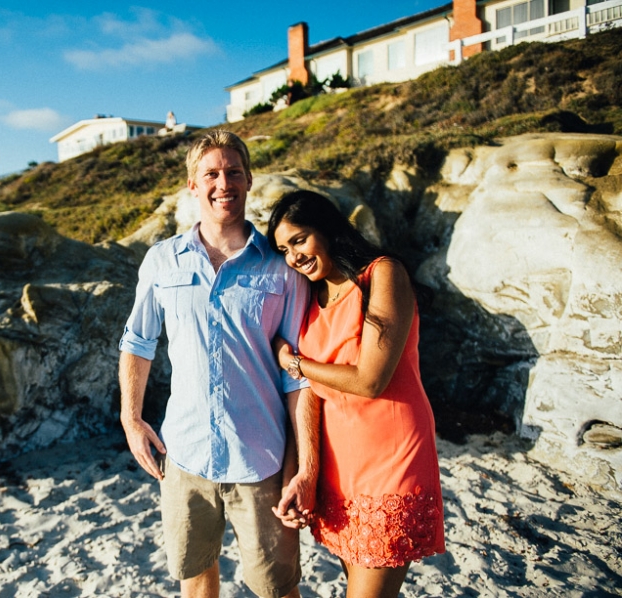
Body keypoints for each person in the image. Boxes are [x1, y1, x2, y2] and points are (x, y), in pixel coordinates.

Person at [118, 130, 318, 598]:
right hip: (184, 455)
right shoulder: (161, 261)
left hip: (262, 461)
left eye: (232, 172)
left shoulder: (281, 268)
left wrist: (303, 468)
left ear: (249, 181)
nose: (222, 183)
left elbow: (299, 380)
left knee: (277, 589)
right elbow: (138, 341)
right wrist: (131, 418)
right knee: (196, 577)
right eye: (210, 173)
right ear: (192, 185)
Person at [267, 190, 446, 598]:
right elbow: (311, 392)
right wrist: (307, 472)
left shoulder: (382, 274)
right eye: (283, 249)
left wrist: (293, 361)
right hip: (340, 465)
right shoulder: (310, 297)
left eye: (299, 240)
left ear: (327, 229)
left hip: (392, 458)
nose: (293, 256)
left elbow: (370, 380)